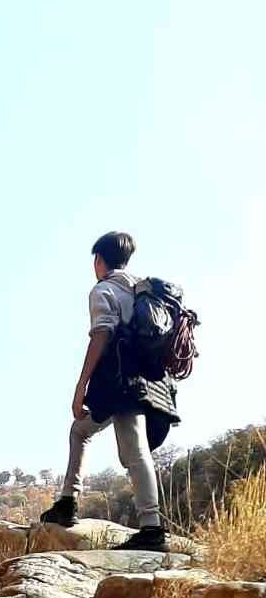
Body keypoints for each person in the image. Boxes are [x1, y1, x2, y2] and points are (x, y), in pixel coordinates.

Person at [40, 231, 180, 551]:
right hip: (152, 381)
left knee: (132, 448)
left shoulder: (103, 290)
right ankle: (67, 502)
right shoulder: (146, 290)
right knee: (81, 431)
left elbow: (100, 336)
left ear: (98, 261)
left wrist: (80, 387)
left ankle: (151, 528)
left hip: (120, 381)